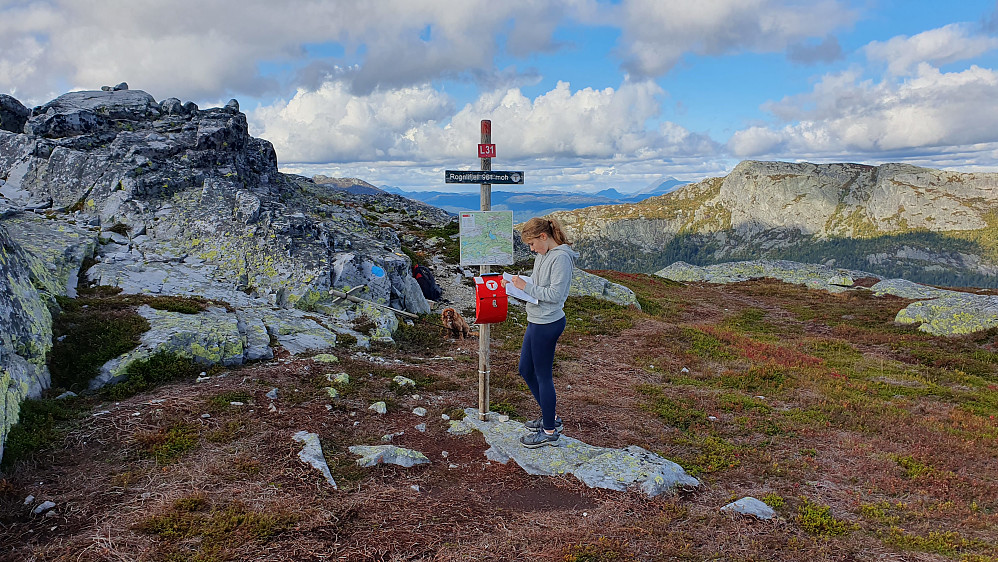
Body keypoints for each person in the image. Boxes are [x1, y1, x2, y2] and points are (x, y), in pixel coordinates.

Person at [507, 217, 578, 448]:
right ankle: (551, 418)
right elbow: (540, 285)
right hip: (536, 319)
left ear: (544, 237)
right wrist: (519, 285)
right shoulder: (543, 255)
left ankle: (549, 432)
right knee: (525, 369)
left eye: (532, 243)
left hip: (547, 323)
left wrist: (524, 287)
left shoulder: (561, 259)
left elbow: (556, 295)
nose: (531, 249)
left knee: (543, 376)